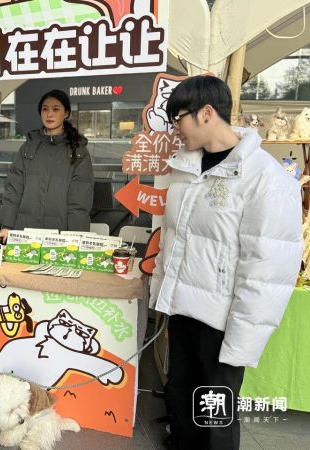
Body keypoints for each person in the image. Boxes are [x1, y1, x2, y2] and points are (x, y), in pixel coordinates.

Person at [150, 75, 303, 450]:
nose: (175, 130)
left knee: (215, 415)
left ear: (206, 113)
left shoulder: (264, 178)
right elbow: (174, 239)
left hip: (222, 321)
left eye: (178, 119)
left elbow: (266, 270)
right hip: (183, 310)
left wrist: (243, 338)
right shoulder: (185, 168)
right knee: (181, 400)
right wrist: (162, 293)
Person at [0, 89, 93, 242]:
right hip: (24, 232)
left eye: (56, 109)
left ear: (66, 113)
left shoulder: (78, 151)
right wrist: (7, 225)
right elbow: (14, 190)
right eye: (45, 109)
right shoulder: (28, 147)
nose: (49, 114)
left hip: (61, 236)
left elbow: (80, 200)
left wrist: (77, 237)